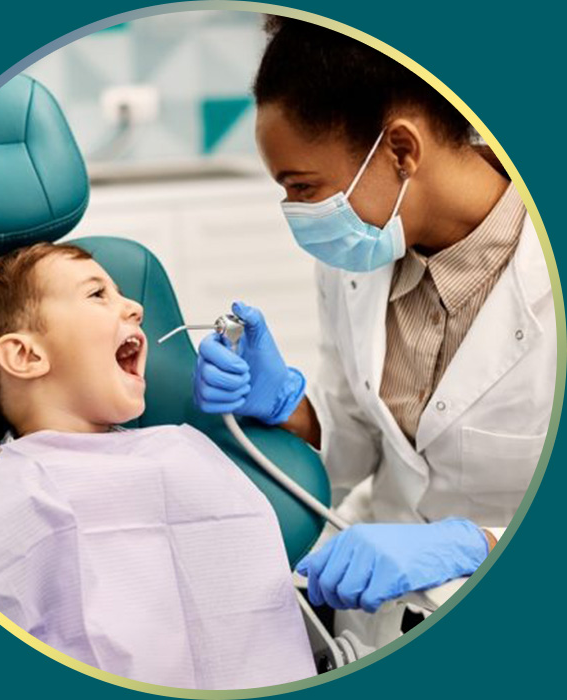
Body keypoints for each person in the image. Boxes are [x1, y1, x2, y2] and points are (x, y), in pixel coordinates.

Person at [193, 16, 555, 649]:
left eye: (304, 188)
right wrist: (286, 408)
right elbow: (353, 444)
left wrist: (479, 544)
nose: (300, 216)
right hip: (372, 616)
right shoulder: (361, 260)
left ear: (401, 150)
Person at [0, 242, 321, 689]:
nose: (136, 308)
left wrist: (282, 402)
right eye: (97, 295)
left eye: (121, 293)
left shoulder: (180, 446)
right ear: (25, 356)